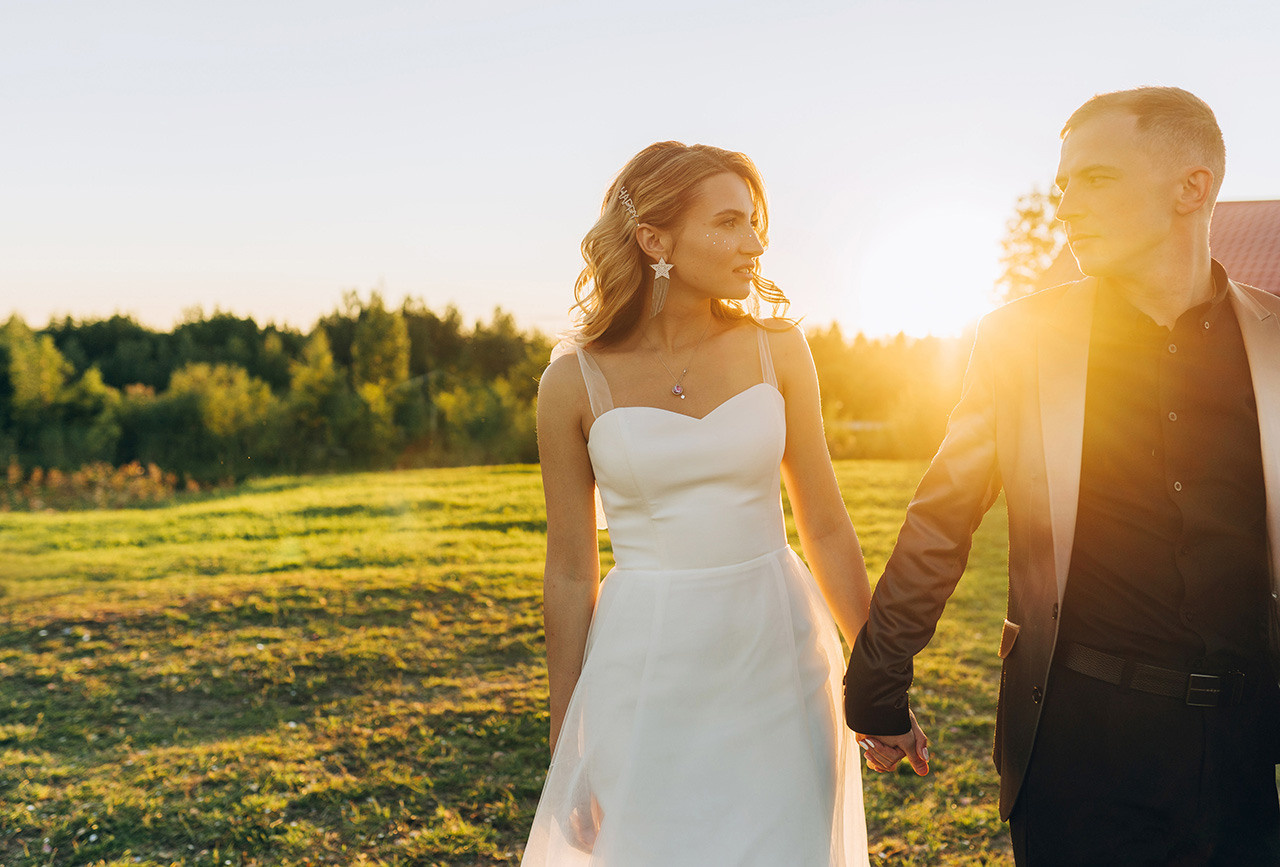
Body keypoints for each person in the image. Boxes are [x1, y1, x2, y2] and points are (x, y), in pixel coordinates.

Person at [844, 86, 1280, 865]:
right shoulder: (1020, 341)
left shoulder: (1275, 341)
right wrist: (878, 686)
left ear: (1193, 186)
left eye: (1096, 178)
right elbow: (941, 519)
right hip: (1079, 749)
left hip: (1244, 752)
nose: (1066, 204)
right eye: (1062, 184)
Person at [521, 141, 872, 866]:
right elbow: (568, 569)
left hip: (779, 655)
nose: (755, 243)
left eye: (755, 222)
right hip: (646, 668)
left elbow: (827, 524)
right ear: (655, 239)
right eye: (729, 223)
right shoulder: (572, 383)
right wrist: (568, 730)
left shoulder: (780, 349)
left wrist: (878, 672)